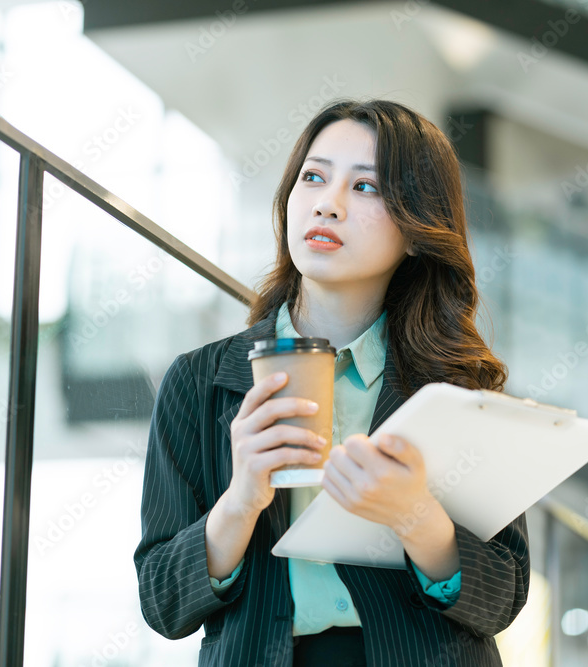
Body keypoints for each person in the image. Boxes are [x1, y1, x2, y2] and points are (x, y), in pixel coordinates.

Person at [133, 98, 530, 667]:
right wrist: (241, 502)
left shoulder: (458, 391)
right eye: (313, 178)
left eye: (366, 188)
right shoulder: (198, 382)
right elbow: (163, 603)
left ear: (417, 228)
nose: (328, 204)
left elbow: (504, 595)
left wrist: (414, 515)